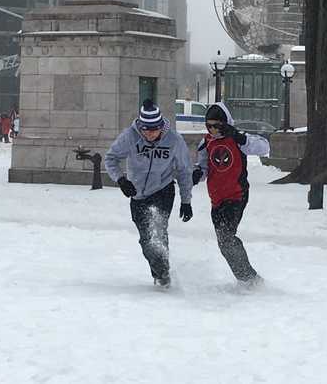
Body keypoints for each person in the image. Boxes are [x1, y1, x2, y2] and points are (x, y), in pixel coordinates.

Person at [105, 99, 194, 288]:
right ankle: (159, 271)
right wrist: (121, 180)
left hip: (163, 190)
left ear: (161, 126)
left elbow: (185, 171)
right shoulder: (130, 136)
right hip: (137, 193)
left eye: (154, 129)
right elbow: (111, 159)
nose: (150, 134)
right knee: (147, 238)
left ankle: (163, 275)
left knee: (157, 232)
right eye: (146, 130)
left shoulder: (174, 140)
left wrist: (186, 201)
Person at [192, 102, 269, 286]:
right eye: (209, 125)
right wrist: (196, 174)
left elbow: (264, 147)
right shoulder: (206, 143)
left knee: (226, 238)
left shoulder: (237, 139)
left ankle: (249, 278)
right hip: (216, 199)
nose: (213, 130)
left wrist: (242, 138)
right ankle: (246, 277)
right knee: (223, 242)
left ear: (226, 123)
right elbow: (203, 168)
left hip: (236, 195)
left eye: (217, 125)